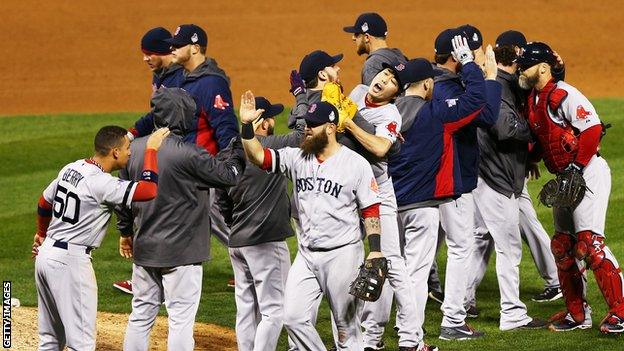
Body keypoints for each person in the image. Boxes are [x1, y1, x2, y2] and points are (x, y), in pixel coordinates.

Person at [241, 93, 384, 350]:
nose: (307, 128)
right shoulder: (297, 158)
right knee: (292, 319)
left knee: (346, 331)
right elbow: (258, 157)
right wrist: (246, 128)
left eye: (313, 124)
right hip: (306, 256)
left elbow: (371, 208)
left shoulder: (355, 164)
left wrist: (375, 249)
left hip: (343, 256)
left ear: (330, 128)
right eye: (306, 123)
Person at [119, 88, 246, 350]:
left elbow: (122, 198)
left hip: (145, 249)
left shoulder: (133, 151)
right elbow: (230, 175)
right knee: (180, 320)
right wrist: (237, 150)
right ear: (182, 117)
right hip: (183, 253)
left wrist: (125, 233)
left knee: (141, 316)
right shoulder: (190, 154)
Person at [516, 42, 624, 333]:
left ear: (542, 67)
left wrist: (576, 168)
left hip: (588, 172)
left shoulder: (565, 93)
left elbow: (591, 129)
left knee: (590, 244)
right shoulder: (534, 99)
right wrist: (533, 159)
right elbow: (545, 138)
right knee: (563, 246)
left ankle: (621, 311)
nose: (520, 71)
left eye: (526, 65)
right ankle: (578, 314)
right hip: (565, 178)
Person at [389, 40, 490, 349]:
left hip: (389, 205)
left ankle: (377, 333)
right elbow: (475, 101)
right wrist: (470, 64)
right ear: (428, 84)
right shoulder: (435, 114)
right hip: (422, 204)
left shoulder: (387, 114)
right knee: (416, 273)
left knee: (396, 268)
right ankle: (411, 338)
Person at [32, 125, 170, 350]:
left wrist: (41, 233)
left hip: (46, 255)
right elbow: (148, 190)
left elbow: (44, 202)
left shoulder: (72, 168)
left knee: (50, 340)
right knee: (82, 344)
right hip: (71, 263)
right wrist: (151, 150)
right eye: (127, 148)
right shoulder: (101, 183)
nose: (130, 152)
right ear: (115, 152)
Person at [463, 31, 561, 318]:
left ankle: (461, 303)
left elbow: (537, 91)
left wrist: (559, 70)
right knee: (507, 247)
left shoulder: (507, 84)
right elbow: (504, 128)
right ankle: (512, 313)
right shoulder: (500, 88)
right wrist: (534, 132)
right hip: (496, 178)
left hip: (494, 175)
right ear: (516, 61)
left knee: (485, 238)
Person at [337, 57, 423, 350]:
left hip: (377, 192)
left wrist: (348, 123)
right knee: (347, 261)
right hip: (348, 190)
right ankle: (356, 338)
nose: (383, 81)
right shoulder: (359, 92)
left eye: (391, 82)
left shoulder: (390, 115)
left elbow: (380, 146)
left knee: (393, 264)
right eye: (384, 74)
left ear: (396, 94)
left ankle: (412, 338)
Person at [217, 96, 303, 351]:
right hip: (265, 241)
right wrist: (302, 96)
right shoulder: (271, 146)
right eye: (271, 117)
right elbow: (303, 136)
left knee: (246, 309)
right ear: (263, 123)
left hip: (237, 241)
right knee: (275, 311)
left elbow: (221, 199)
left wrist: (234, 221)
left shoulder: (228, 151)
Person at [113, 26, 185, 295]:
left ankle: (247, 260)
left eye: (149, 53)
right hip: (165, 147)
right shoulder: (161, 74)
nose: (145, 58)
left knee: (206, 211)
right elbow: (155, 114)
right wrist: (131, 134)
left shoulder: (179, 78)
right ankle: (149, 277)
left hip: (179, 153)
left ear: (164, 51)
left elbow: (175, 117)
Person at [342, 12, 407, 85]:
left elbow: (373, 96)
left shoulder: (372, 65)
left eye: (357, 34)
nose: (353, 38)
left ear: (367, 37)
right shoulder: (399, 55)